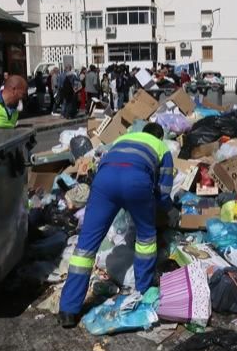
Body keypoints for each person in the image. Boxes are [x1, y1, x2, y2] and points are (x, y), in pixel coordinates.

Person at [57, 123, 174, 328]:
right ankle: (142, 293)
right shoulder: (162, 148)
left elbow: (103, 163)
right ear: (160, 136)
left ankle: (68, 309)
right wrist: (161, 209)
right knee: (146, 238)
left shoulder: (124, 139)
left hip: (104, 182)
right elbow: (164, 190)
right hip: (136, 182)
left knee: (86, 246)